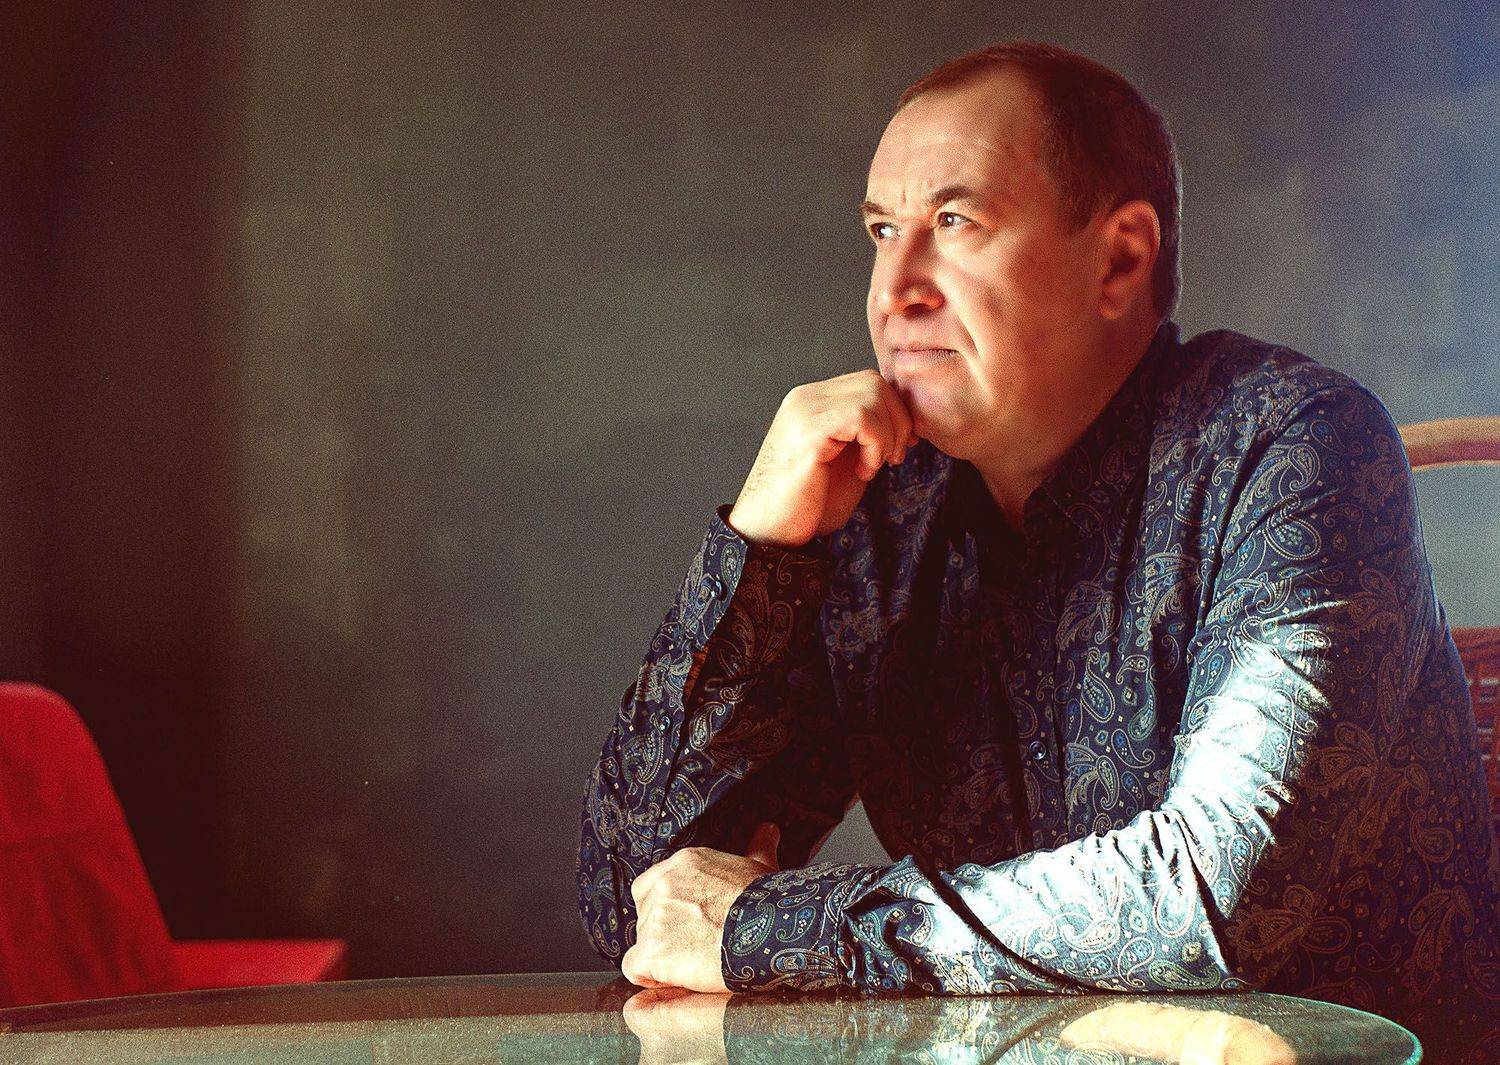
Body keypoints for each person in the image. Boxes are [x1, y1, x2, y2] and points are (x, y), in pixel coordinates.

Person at [577, 40, 1499, 1058]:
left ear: (1120, 260)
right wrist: (761, 548)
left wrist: (769, 931)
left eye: (955, 223)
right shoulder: (880, 508)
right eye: (882, 232)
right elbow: (644, 907)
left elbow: (1213, 900)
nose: (894, 289)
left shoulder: (1298, 446)